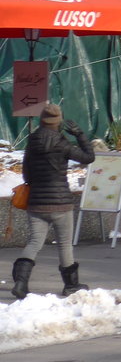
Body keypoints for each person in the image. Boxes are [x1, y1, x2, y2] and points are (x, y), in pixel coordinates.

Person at [11, 104, 96, 299]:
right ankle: (71, 286)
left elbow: (26, 173)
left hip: (37, 202)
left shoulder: (32, 142)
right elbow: (89, 157)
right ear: (59, 122)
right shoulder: (63, 144)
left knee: (34, 242)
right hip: (61, 203)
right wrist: (80, 134)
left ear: (41, 120)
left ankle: (21, 283)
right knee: (65, 245)